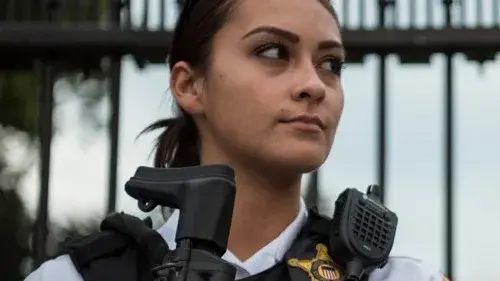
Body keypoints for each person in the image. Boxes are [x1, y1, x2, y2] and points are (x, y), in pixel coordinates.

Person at [25, 0, 449, 280]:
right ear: (189, 85)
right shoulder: (76, 278)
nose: (313, 84)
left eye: (331, 64)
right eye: (272, 52)